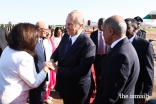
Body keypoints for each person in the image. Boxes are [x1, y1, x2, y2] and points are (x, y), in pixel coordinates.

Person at [49, 10, 96, 104]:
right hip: (65, 86)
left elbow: (81, 70)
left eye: (70, 24)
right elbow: (58, 51)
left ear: (81, 25)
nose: (66, 27)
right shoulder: (66, 36)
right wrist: (52, 60)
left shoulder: (88, 44)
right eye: (66, 24)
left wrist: (58, 69)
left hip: (77, 90)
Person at [93, 15, 140, 104]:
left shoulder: (120, 55)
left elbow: (110, 96)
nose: (102, 35)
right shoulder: (124, 47)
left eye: (103, 31)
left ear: (110, 31)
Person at [0, 23, 50, 104]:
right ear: (29, 39)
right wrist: (45, 69)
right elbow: (34, 82)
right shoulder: (25, 57)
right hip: (15, 98)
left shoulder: (7, 49)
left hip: (3, 92)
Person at [125, 18, 154, 104]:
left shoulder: (145, 45)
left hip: (136, 90)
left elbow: (148, 70)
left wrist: (145, 93)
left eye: (127, 28)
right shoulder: (117, 42)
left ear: (135, 29)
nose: (124, 30)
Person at [29, 21, 50, 104]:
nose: (47, 31)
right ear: (39, 29)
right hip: (35, 77)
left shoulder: (42, 41)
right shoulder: (32, 42)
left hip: (44, 75)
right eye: (45, 29)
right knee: (35, 100)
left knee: (41, 99)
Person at [90, 18, 107, 88]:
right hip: (97, 57)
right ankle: (98, 88)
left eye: (102, 24)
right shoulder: (93, 34)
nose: (101, 25)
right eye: (99, 24)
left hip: (106, 56)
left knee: (105, 73)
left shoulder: (109, 33)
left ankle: (104, 88)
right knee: (97, 73)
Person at [43, 29, 56, 104]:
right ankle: (45, 98)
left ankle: (47, 95)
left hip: (50, 63)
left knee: (49, 81)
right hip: (46, 64)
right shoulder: (43, 41)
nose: (48, 34)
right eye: (47, 32)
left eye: (50, 32)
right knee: (46, 82)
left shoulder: (50, 41)